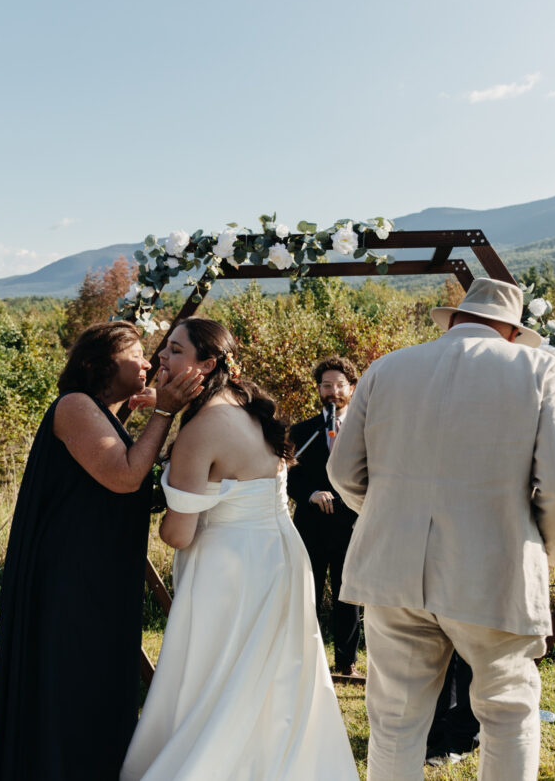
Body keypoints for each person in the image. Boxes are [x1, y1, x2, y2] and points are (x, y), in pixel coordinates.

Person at [327, 277, 555, 781]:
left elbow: (343, 472)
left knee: (395, 721)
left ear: (454, 321)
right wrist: (545, 548)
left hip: (390, 572)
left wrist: (390, 515)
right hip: (495, 569)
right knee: (508, 713)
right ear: (511, 332)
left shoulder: (386, 368)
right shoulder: (542, 368)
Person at [120, 318, 358, 781]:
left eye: (174, 350)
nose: (161, 358)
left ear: (206, 365)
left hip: (229, 568)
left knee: (221, 674)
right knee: (273, 676)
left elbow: (179, 535)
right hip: (280, 555)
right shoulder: (249, 411)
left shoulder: (200, 431)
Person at [0, 321, 203, 781]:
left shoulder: (104, 413)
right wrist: (163, 413)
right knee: (74, 673)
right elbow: (124, 477)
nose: (148, 363)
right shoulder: (74, 406)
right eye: (136, 355)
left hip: (100, 571)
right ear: (98, 364)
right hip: (71, 574)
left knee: (99, 674)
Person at [287, 356, 362, 676]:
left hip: (351, 525)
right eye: (327, 385)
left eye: (340, 385)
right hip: (311, 526)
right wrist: (310, 494)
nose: (333, 391)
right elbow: (287, 476)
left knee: (349, 596)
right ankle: (309, 662)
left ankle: (347, 664)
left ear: (353, 388)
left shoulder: (366, 430)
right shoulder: (303, 431)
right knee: (308, 594)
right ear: (318, 389)